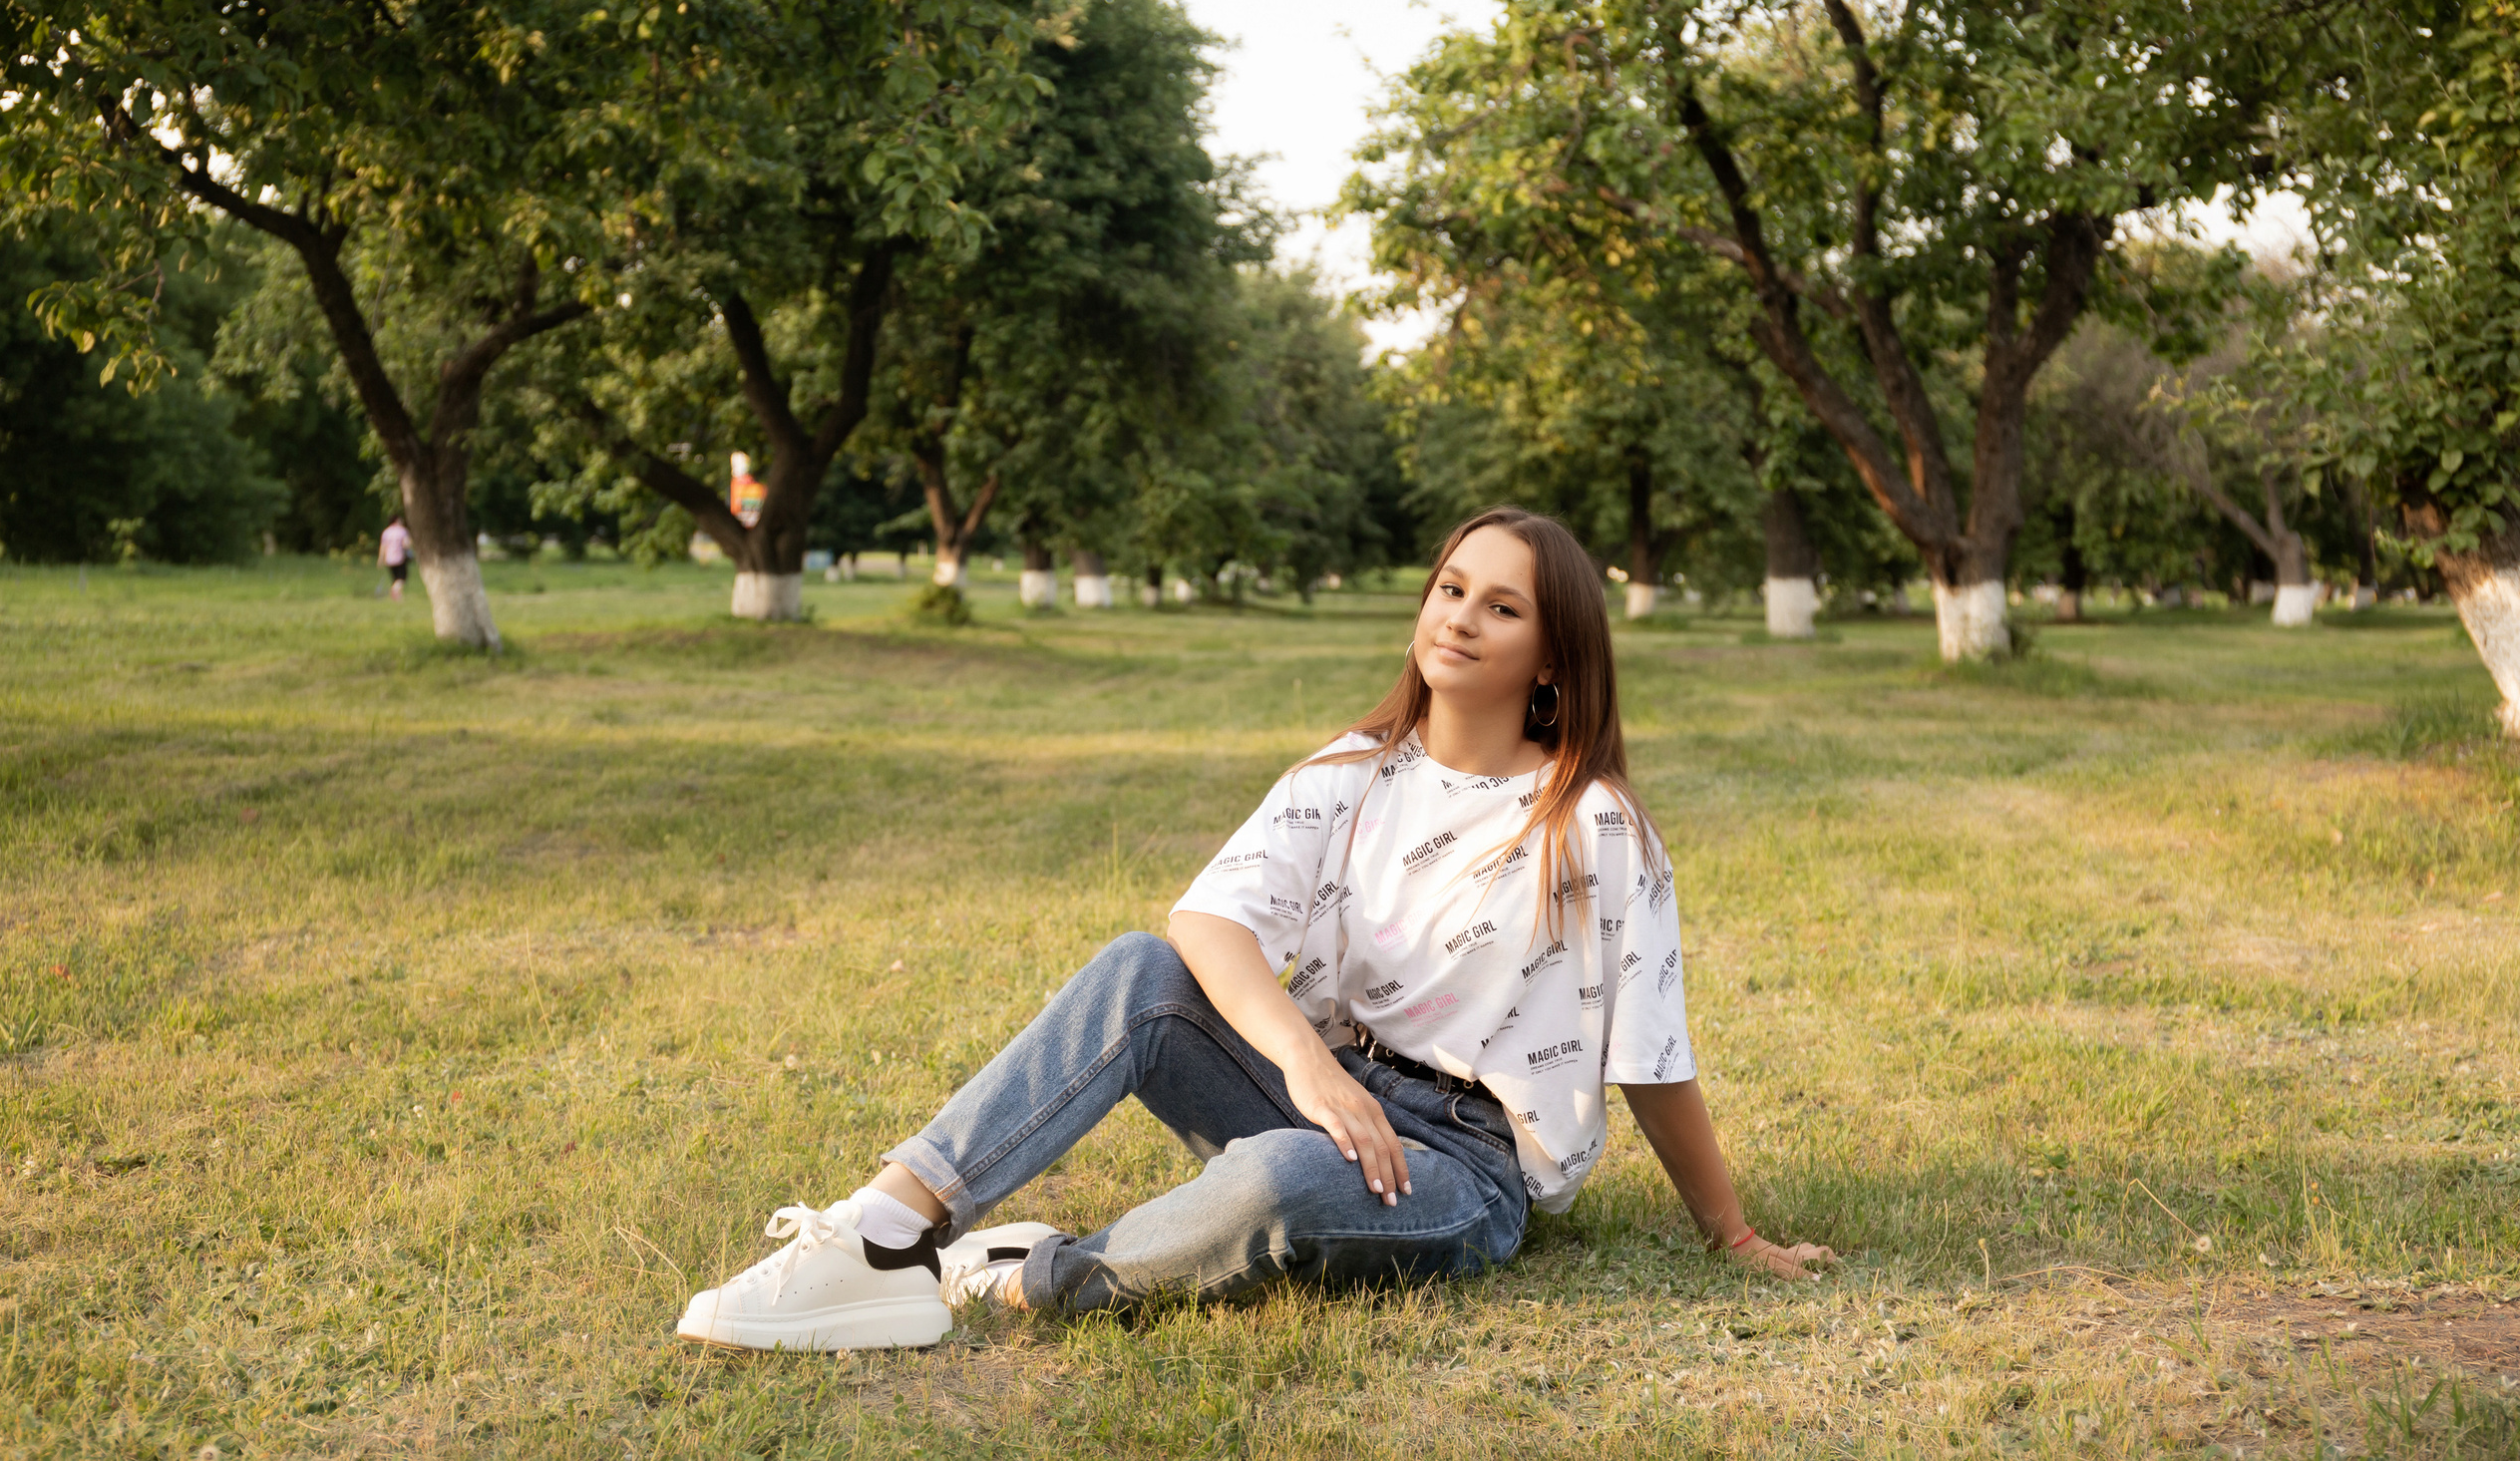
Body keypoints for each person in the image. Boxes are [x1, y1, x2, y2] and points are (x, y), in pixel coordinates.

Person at [674, 509, 1834, 1351]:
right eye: (1449, 587)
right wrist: (1307, 1068)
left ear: (1551, 654)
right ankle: (884, 1235)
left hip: (1465, 1167)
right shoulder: (1351, 771)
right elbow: (1208, 923)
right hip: (1321, 1088)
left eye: (1503, 605)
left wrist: (1729, 1234)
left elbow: (1651, 1057)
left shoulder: (1592, 826)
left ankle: (1028, 1277)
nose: (1462, 616)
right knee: (1142, 970)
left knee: (1280, 1181)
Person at [378, 517, 411, 601]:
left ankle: (397, 597)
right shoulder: (402, 531)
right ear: (397, 521)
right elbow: (406, 544)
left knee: (395, 578)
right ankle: (395, 591)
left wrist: (381, 559)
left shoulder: (386, 532)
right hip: (399, 558)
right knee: (402, 577)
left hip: (389, 559)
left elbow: (383, 546)